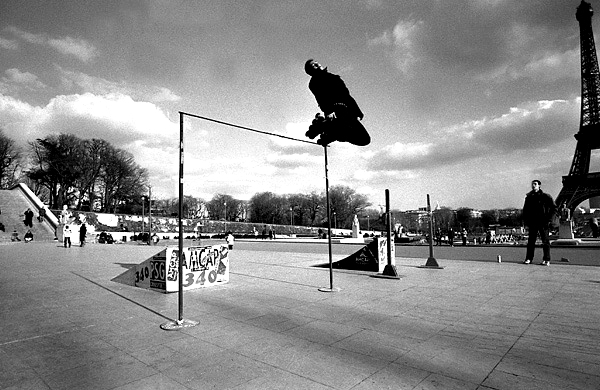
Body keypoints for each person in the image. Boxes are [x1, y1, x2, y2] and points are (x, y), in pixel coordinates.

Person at [304, 59, 371, 146]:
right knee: (363, 139)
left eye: (316, 62)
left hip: (348, 111)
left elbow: (347, 96)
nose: (317, 64)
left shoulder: (334, 77)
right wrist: (329, 111)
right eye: (313, 65)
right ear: (310, 71)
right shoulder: (314, 82)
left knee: (364, 139)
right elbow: (321, 99)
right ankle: (329, 129)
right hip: (337, 111)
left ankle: (331, 132)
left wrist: (357, 112)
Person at [522, 180, 555, 266]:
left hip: (543, 221)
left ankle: (546, 259)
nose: (533, 185)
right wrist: (526, 221)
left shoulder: (545, 196)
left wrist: (549, 219)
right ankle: (529, 258)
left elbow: (554, 208)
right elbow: (525, 210)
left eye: (535, 184)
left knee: (545, 241)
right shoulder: (529, 197)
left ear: (539, 186)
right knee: (531, 241)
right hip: (533, 221)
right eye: (532, 184)